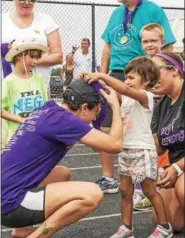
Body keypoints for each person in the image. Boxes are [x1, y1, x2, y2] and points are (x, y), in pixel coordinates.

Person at [1, 79, 123, 238]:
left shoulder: (49, 109)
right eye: (96, 113)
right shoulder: (65, 121)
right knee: (92, 194)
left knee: (62, 174)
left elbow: (96, 144)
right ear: (84, 107)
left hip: (4, 192)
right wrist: (115, 106)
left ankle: (22, 230)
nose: (94, 119)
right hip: (11, 204)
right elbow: (115, 145)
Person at [96, 0, 176, 192]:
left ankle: (148, 177)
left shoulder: (153, 10)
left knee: (145, 128)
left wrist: (162, 75)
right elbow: (107, 47)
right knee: (107, 126)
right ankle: (108, 177)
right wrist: (102, 75)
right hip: (114, 73)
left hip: (142, 75)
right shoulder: (115, 14)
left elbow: (167, 46)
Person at [82, 56, 173, 238]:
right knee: (125, 191)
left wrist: (101, 74)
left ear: (146, 80)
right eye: (126, 77)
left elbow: (122, 88)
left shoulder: (146, 96)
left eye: (131, 77)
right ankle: (126, 228)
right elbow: (113, 91)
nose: (127, 81)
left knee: (149, 190)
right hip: (126, 150)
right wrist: (95, 81)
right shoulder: (126, 97)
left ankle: (164, 226)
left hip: (143, 150)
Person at [133, 23, 170, 211]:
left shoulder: (168, 63)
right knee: (143, 151)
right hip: (145, 115)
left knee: (161, 150)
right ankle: (143, 189)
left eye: (153, 40)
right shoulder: (140, 65)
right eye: (145, 41)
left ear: (162, 41)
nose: (149, 44)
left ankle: (159, 188)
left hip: (165, 113)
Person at [1, 0, 62, 87]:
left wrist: (30, 61)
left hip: (37, 90)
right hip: (6, 89)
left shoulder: (46, 21)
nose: (27, 2)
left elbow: (58, 56)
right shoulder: (3, 20)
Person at [151, 52, 184, 232]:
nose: (151, 78)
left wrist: (177, 168)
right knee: (167, 220)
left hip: (181, 167)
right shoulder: (160, 107)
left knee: (183, 189)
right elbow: (157, 147)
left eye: (156, 71)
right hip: (176, 167)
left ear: (175, 71)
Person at [1, 34, 48, 149]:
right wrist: (22, 120)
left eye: (37, 57)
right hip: (17, 138)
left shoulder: (39, 79)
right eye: (32, 56)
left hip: (38, 135)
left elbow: (46, 106)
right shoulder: (8, 82)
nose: (35, 61)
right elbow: (2, 111)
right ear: (18, 56)